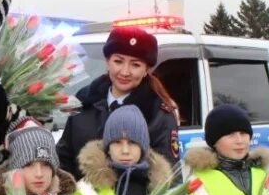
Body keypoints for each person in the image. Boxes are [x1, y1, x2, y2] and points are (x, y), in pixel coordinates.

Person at [56, 25, 180, 177]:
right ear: (107, 62)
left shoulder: (157, 114)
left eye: (135, 65)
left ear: (146, 69)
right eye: (118, 61)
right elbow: (63, 159)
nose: (125, 72)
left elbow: (167, 176)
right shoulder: (84, 101)